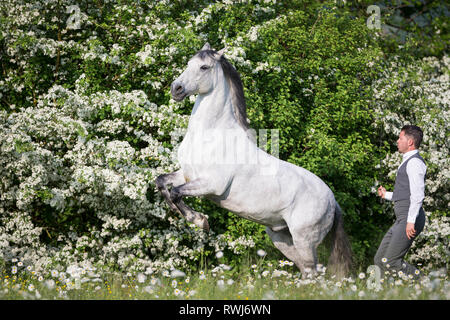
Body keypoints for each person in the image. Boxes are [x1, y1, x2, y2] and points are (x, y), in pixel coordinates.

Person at [375, 125, 427, 279]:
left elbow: (418, 195)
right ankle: (384, 292)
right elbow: (405, 193)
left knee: (391, 261)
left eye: (400, 138)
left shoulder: (415, 163)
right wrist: (386, 195)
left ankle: (426, 282)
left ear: (410, 142)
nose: (397, 141)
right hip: (402, 219)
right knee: (380, 259)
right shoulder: (407, 161)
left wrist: (410, 221)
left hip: (409, 218)